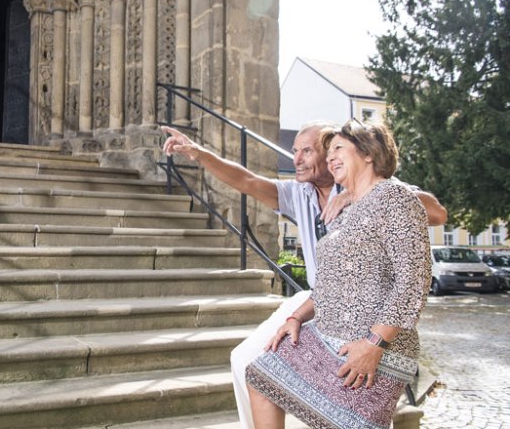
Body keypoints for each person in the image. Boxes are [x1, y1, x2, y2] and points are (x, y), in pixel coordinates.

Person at [161, 122, 446, 429]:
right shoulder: (300, 195)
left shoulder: (384, 192)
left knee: (349, 413)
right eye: (295, 151)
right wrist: (200, 153)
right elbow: (247, 181)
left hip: (369, 325)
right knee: (257, 370)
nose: (297, 159)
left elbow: (428, 235)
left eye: (308, 151)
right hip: (323, 302)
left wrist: (356, 194)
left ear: (360, 153)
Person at [245, 120, 432, 428]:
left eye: (338, 149)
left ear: (368, 153)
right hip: (328, 335)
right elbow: (332, 284)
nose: (330, 158)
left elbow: (414, 281)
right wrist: (296, 317)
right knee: (262, 377)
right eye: (328, 152)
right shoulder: (346, 210)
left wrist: (374, 344)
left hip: (374, 346)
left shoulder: (396, 198)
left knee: (345, 422)